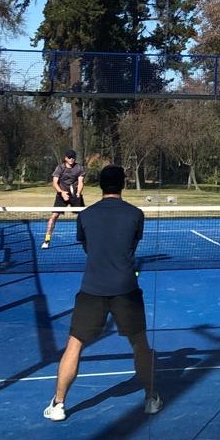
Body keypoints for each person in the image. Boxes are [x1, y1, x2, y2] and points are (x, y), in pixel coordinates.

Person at [44, 163, 162, 420]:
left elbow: (88, 248)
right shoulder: (136, 215)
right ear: (123, 184)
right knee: (140, 345)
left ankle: (58, 405)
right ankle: (151, 398)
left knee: (74, 345)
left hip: (92, 289)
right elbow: (131, 247)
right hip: (126, 290)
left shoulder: (85, 215)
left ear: (100, 186)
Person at [42, 150, 86, 249]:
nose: (71, 159)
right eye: (69, 157)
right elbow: (54, 183)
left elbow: (81, 182)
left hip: (75, 195)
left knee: (84, 216)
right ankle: (47, 240)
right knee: (53, 217)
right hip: (61, 194)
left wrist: (78, 193)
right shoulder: (60, 168)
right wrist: (62, 193)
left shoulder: (79, 168)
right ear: (66, 158)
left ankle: (85, 237)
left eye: (73, 157)